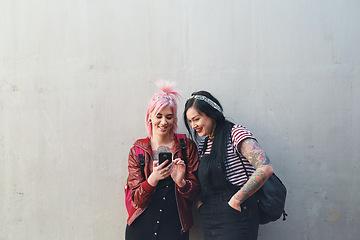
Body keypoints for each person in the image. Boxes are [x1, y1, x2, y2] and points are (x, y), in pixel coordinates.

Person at [183, 91, 274, 240]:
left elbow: (265, 168)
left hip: (237, 215)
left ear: (211, 113)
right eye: (190, 121)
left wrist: (236, 200)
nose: (194, 125)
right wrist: (201, 205)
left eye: (196, 119)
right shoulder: (203, 145)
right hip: (210, 218)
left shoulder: (236, 133)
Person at [125, 84, 200, 240]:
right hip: (141, 227)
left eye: (169, 116)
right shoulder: (137, 150)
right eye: (159, 116)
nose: (164, 122)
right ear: (150, 117)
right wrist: (153, 178)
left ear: (174, 118)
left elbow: (195, 193)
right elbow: (137, 199)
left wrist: (181, 182)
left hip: (174, 228)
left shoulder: (186, 147)